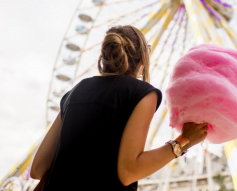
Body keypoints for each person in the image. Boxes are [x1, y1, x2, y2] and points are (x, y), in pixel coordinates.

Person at [30, 25, 208, 190]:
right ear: (142, 59)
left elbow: (37, 168)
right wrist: (184, 141)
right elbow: (128, 172)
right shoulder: (142, 93)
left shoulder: (73, 93)